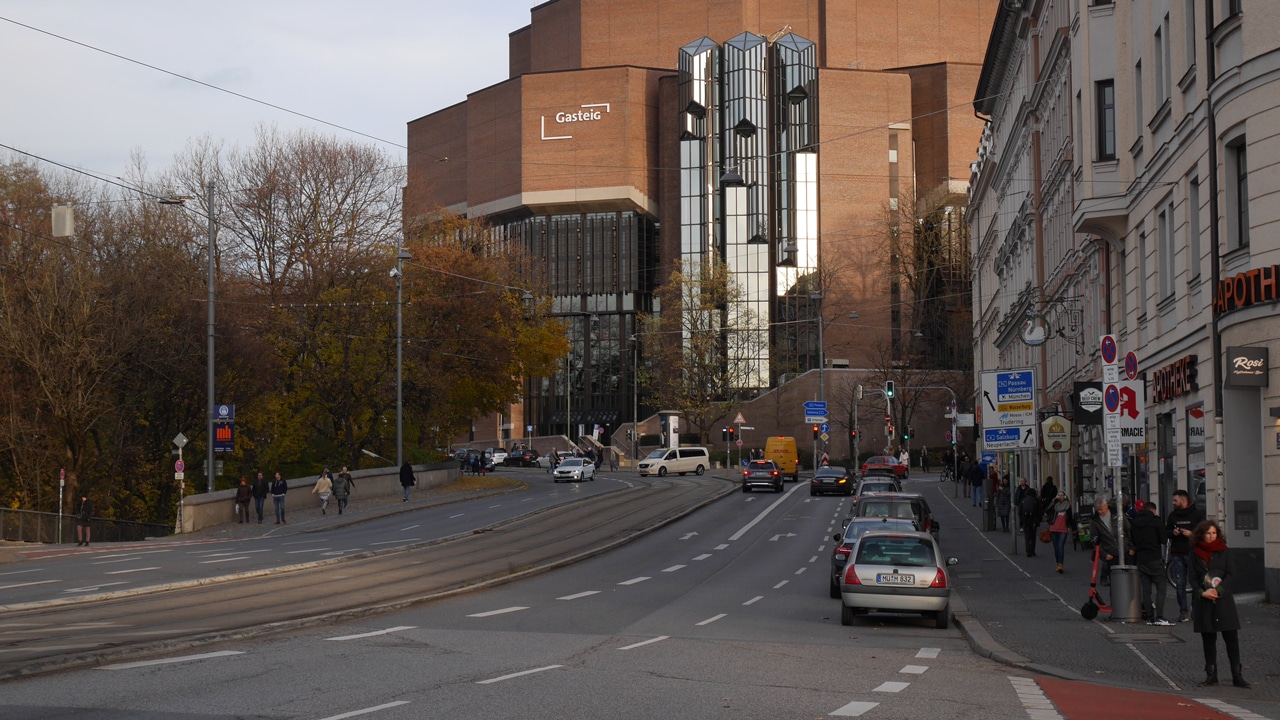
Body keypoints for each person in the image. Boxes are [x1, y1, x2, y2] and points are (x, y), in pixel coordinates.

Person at [1190, 519, 1249, 688]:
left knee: (1231, 638)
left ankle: (1237, 675)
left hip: (1223, 600)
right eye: (1208, 533)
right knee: (1208, 639)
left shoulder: (1224, 551)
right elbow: (1192, 578)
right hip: (1205, 601)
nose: (1211, 536)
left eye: (1214, 533)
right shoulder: (1195, 553)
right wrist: (1203, 593)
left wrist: (1219, 591)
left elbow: (1231, 574)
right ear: (1202, 534)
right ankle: (1211, 675)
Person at [1166, 489, 1206, 622]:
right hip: (1177, 553)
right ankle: (1183, 611)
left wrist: (1192, 535)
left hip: (1193, 553)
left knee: (1196, 582)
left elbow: (1204, 532)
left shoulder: (1197, 515)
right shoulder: (1173, 516)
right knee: (1180, 584)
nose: (1173, 503)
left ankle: (1196, 609)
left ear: (1183, 500)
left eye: (1175, 500)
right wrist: (1173, 532)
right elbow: (1166, 531)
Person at [1130, 500, 1171, 625]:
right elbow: (1164, 540)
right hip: (1154, 557)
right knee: (1161, 587)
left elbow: (1133, 541)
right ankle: (1159, 615)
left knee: (1146, 589)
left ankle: (1148, 615)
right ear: (1153, 510)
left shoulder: (1135, 523)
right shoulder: (1156, 522)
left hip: (1141, 559)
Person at [1092, 495, 1124, 585]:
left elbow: (1128, 529)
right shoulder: (1095, 521)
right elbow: (1094, 540)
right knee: (1112, 575)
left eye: (1101, 509)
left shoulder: (1117, 515)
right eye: (1098, 510)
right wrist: (1103, 554)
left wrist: (1131, 547)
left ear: (1106, 506)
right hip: (1108, 549)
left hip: (1122, 548)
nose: (1100, 512)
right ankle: (1104, 579)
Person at [1046, 490, 1074, 573]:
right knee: (1056, 547)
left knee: (1060, 546)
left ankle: (1061, 564)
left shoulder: (1068, 505)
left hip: (1063, 529)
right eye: (1059, 495)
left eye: (1062, 495)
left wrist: (1074, 529)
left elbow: (1071, 518)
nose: (1060, 497)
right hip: (1053, 528)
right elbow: (1046, 510)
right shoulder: (1054, 505)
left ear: (1065, 497)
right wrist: (1052, 503)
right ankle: (1058, 562)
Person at [1017, 478, 1040, 557]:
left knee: (1027, 536)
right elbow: (1039, 511)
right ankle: (1032, 550)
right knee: (1033, 536)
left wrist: (1021, 520)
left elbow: (1019, 511)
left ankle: (1027, 551)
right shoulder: (1036, 500)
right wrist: (1038, 520)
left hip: (1025, 520)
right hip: (1033, 520)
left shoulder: (1023, 500)